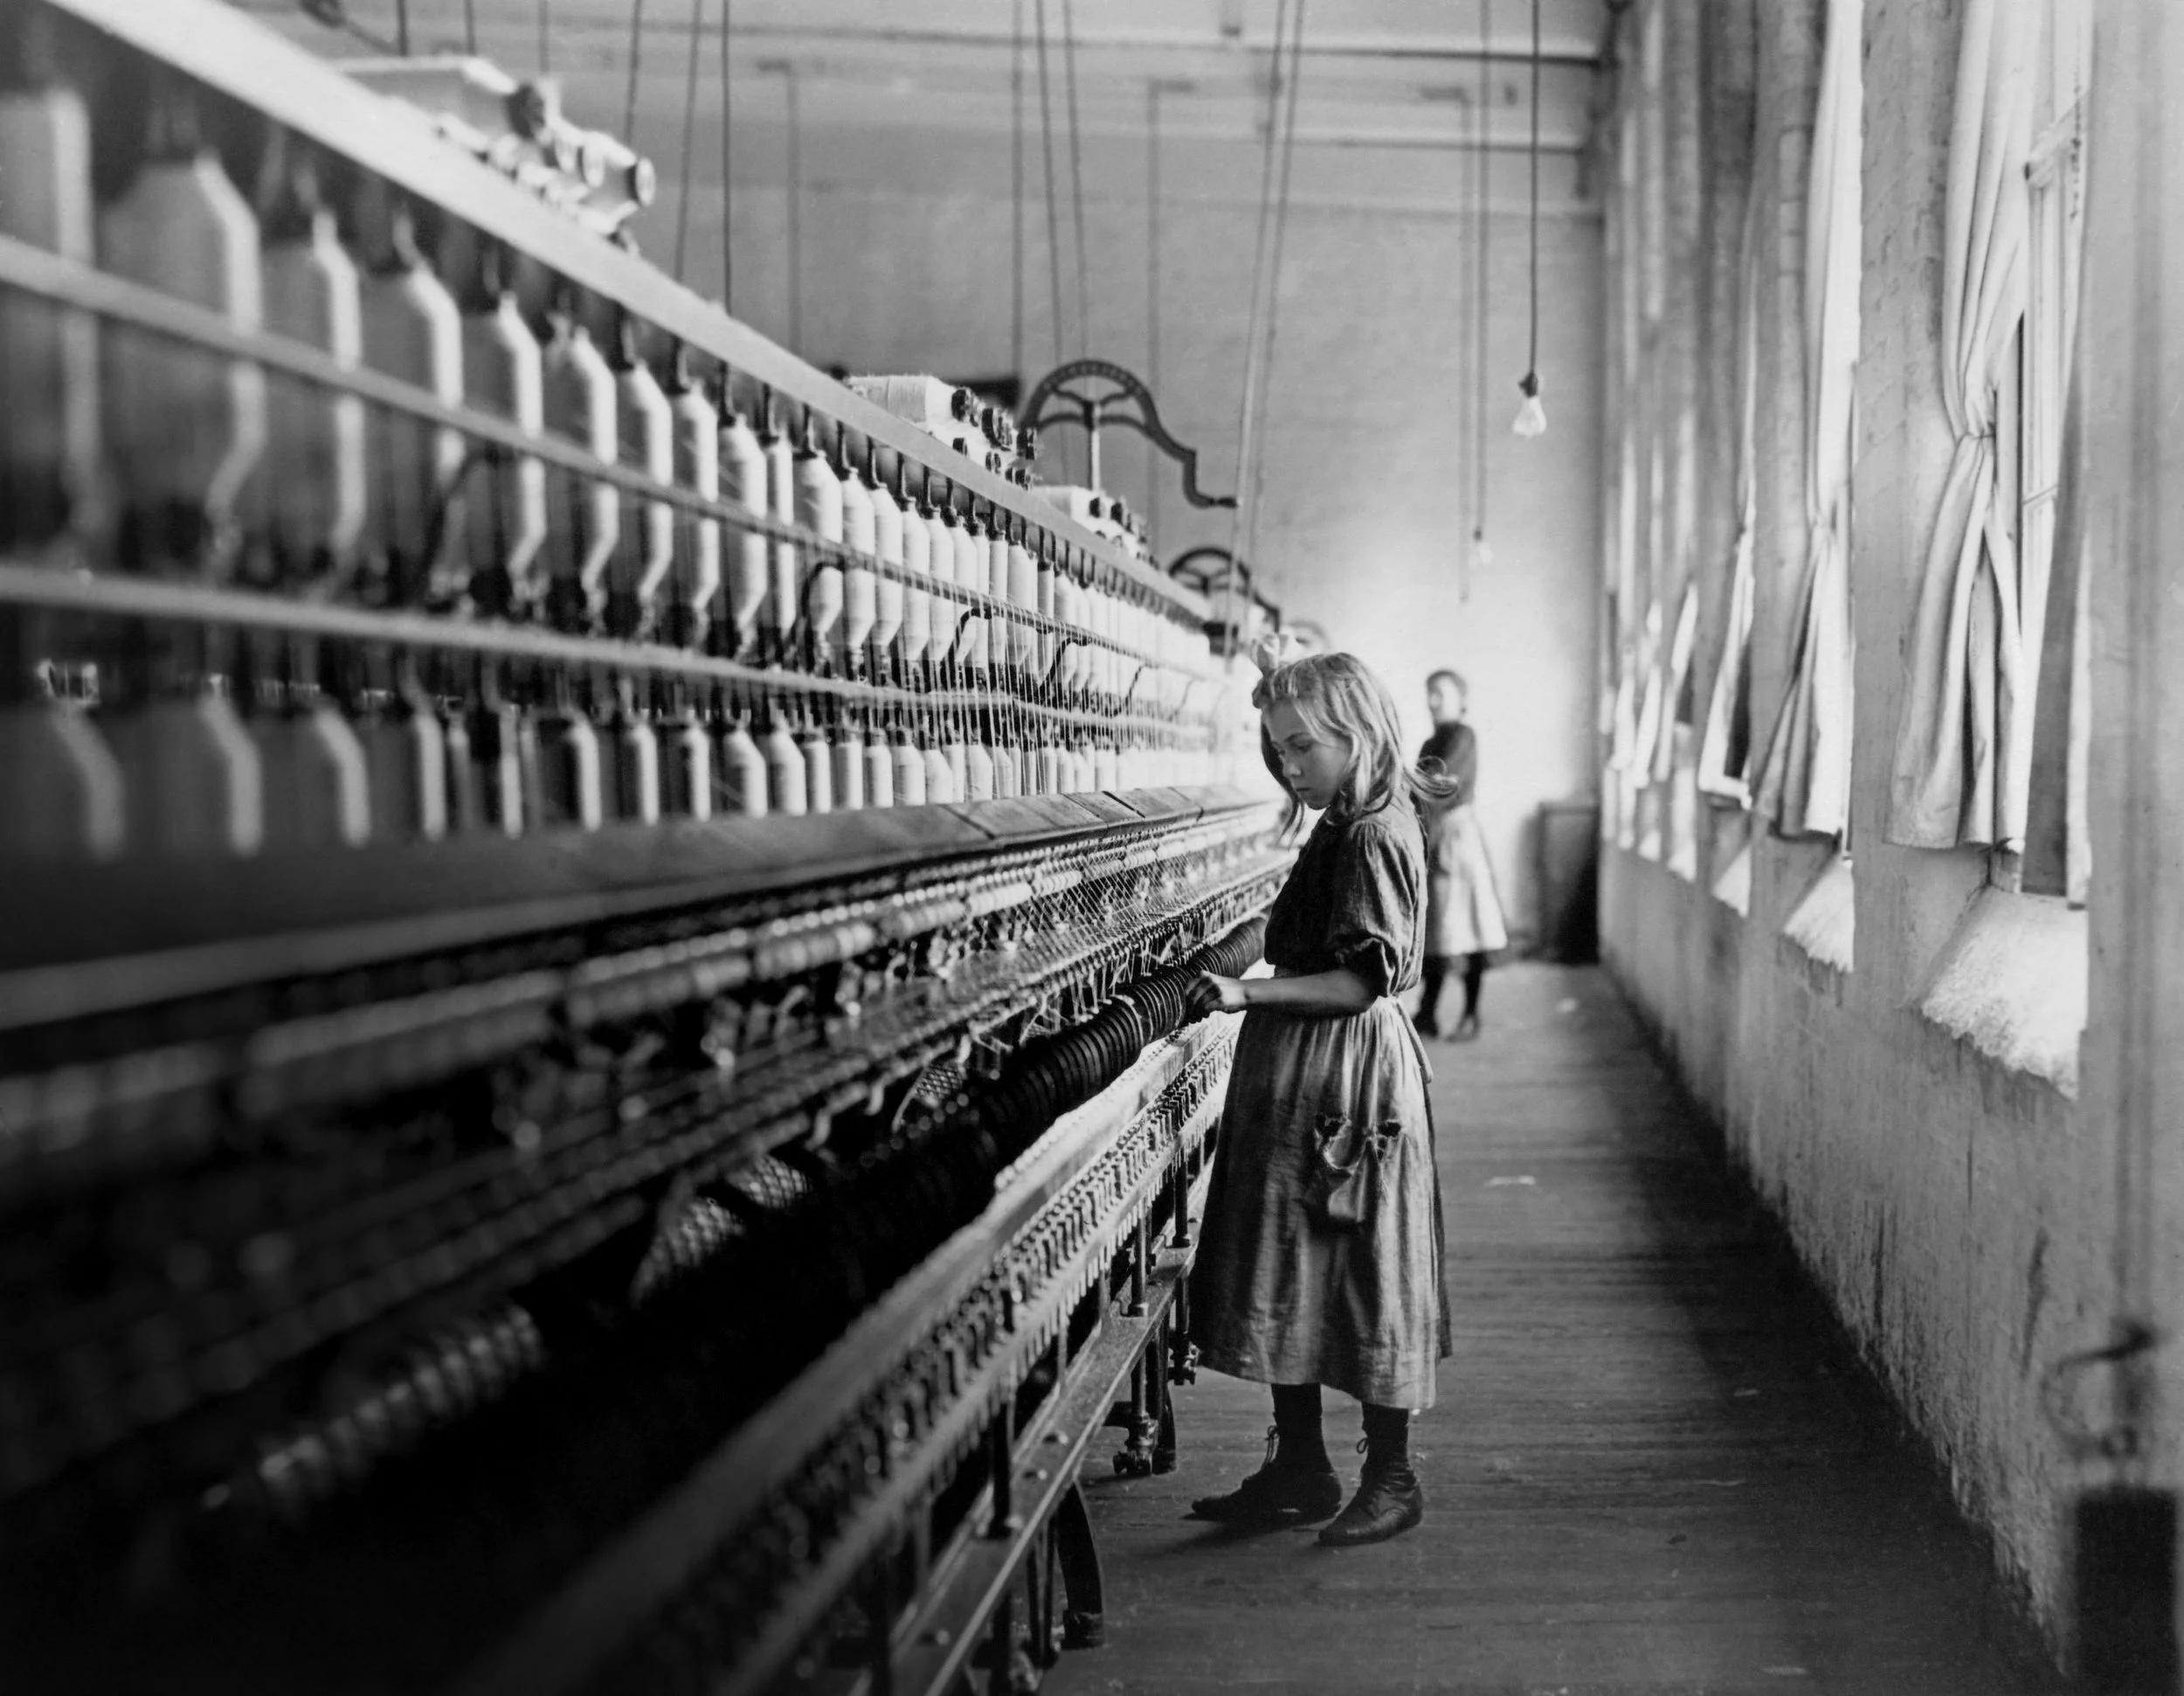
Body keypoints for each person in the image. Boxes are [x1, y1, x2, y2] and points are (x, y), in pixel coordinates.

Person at [1183, 650, 1453, 1548]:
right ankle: (1299, 1466)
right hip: (1304, 1071)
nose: (1288, 765)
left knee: (1364, 1265)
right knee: (1290, 1259)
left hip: (1344, 1071)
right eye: (1277, 748)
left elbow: (1358, 983)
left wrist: (1241, 993)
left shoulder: (1374, 831)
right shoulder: (1344, 820)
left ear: (1358, 733)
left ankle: (1393, 1475)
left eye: (1302, 746)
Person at [1415, 669, 1507, 1040]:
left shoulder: (1462, 736)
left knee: (1468, 928)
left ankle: (1470, 1015)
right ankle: (1428, 1013)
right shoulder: (1429, 742)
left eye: (1441, 694)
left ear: (1461, 700)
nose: (1433, 701)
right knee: (1438, 929)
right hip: (1436, 838)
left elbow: (1441, 786)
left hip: (1456, 839)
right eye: (1430, 694)